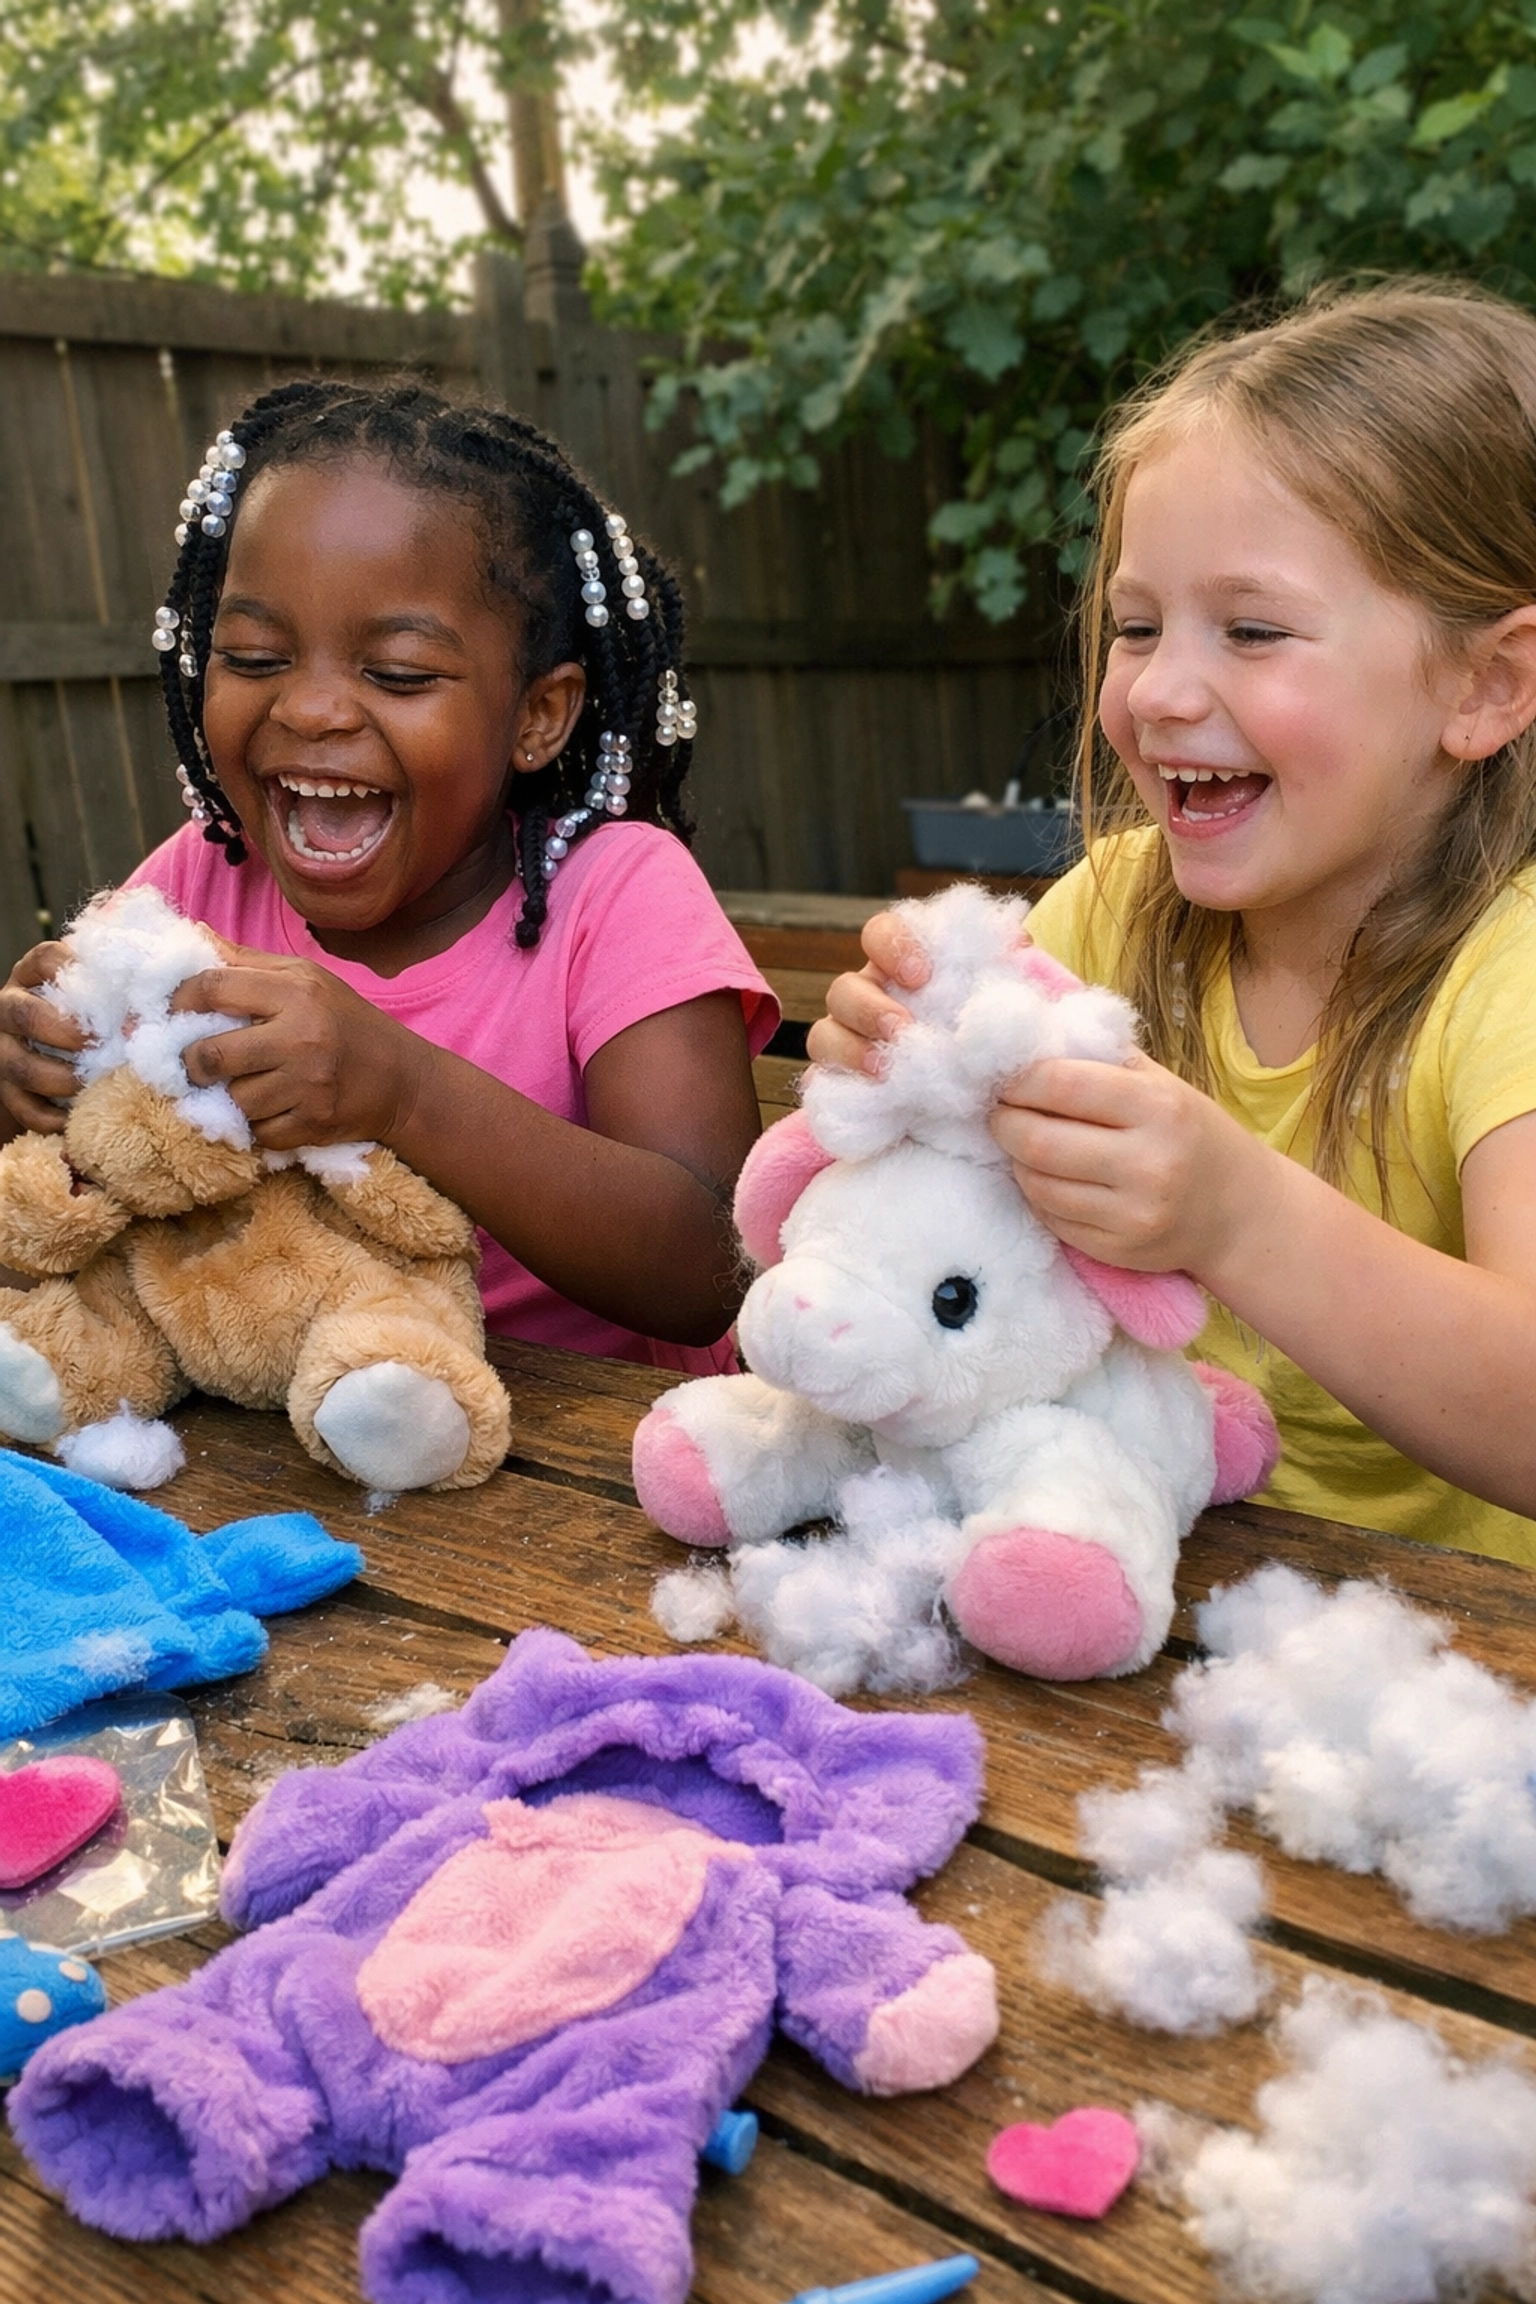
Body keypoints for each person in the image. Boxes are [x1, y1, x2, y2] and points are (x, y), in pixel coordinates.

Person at [812, 282, 1536, 1564]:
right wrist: (900, 1075)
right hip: (1131, 1579)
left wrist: (1236, 1219)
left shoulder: (1512, 976)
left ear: (1488, 684)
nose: (1159, 689)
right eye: (1137, 626)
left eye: (1252, 631)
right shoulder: (1117, 904)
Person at [0, 381, 776, 1372]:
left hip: (578, 1479)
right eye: (253, 655)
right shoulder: (201, 877)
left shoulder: (617, 894)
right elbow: (87, 1175)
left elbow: (709, 1269)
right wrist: (24, 1079)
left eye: (399, 673)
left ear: (538, 716)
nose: (313, 708)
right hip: (275, 1449)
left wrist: (401, 1092)